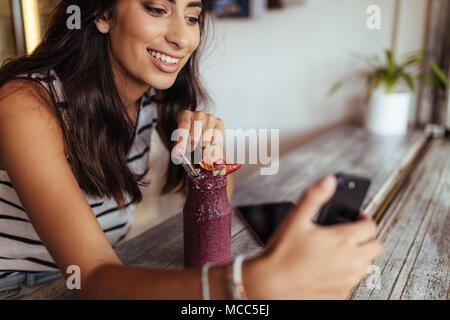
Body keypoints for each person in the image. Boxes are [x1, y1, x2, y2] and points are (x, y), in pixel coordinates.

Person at [0, 0, 382, 300]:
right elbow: (92, 278)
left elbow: (215, 211)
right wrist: (249, 282)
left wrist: (209, 167)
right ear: (102, 13)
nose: (182, 38)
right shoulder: (25, 105)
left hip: (112, 274)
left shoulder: (150, 97)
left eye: (193, 16)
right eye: (157, 9)